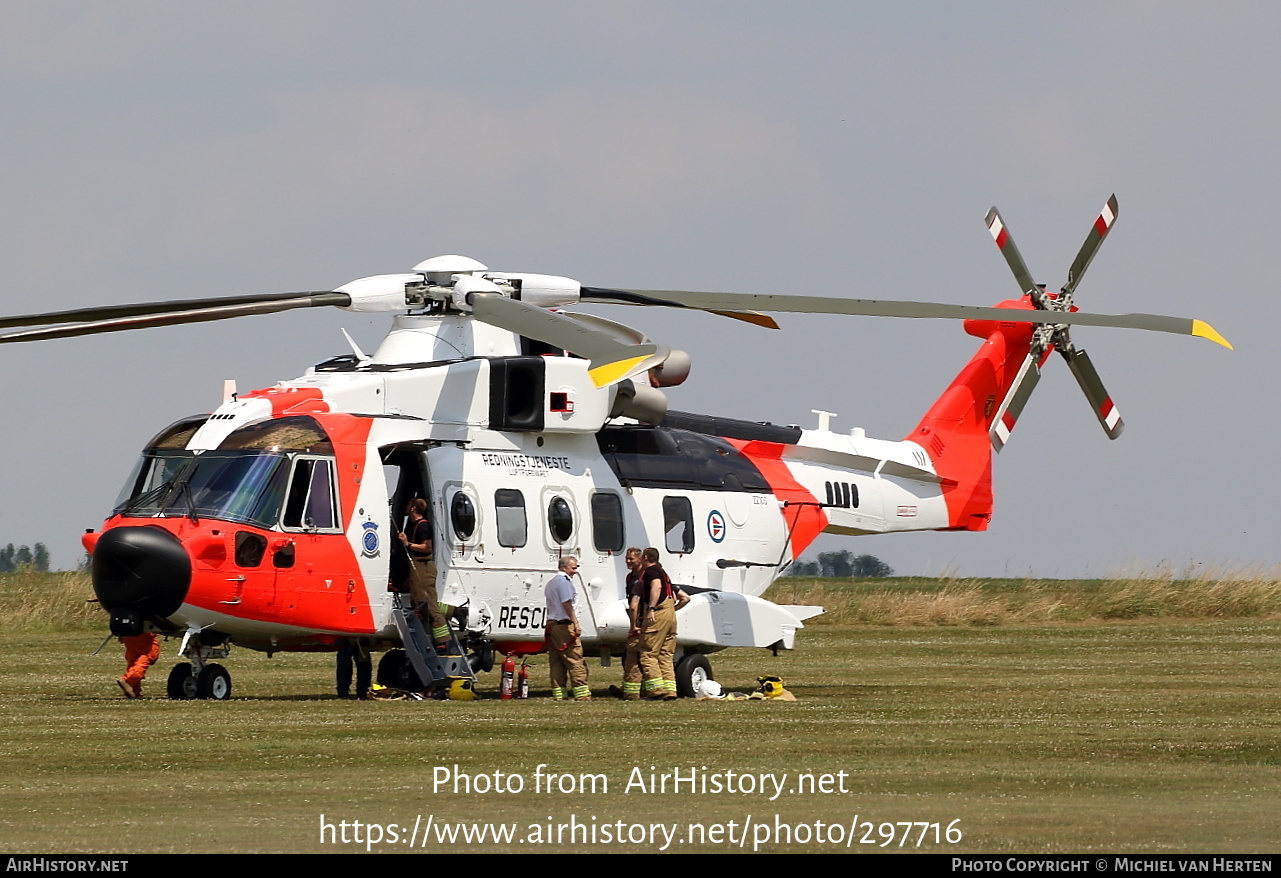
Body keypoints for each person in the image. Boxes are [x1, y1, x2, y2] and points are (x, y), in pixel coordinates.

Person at [638, 547, 690, 700]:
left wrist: (652, 609)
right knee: (665, 655)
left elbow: (656, 586)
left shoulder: (652, 571)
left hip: (658, 612)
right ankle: (670, 690)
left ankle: (656, 690)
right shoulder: (665, 574)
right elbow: (685, 598)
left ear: (646, 557)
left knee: (648, 653)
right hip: (670, 615)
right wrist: (672, 610)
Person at [400, 498, 450, 650]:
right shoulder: (415, 525)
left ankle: (442, 640)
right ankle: (456, 611)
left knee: (428, 604)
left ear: (413, 508)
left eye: (408, 504)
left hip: (424, 566)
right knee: (418, 603)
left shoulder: (423, 526)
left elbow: (427, 548)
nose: (407, 507)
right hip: (417, 566)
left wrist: (408, 544)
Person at [544, 555, 590, 701]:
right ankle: (582, 694)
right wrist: (575, 622)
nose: (575, 571)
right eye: (573, 568)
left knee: (556, 662)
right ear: (564, 567)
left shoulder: (551, 583)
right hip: (564, 626)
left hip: (552, 626)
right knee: (575, 659)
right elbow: (566, 603)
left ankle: (559, 694)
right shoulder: (564, 583)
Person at [609, 547, 645, 700]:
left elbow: (636, 603)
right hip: (636, 618)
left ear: (640, 558)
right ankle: (630, 689)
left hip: (642, 619)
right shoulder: (630, 577)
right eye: (626, 559)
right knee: (629, 657)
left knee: (635, 657)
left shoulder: (645, 576)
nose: (628, 562)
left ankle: (633, 692)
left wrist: (634, 626)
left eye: (631, 559)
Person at [117, 631, 159, 698]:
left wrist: (120, 634)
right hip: (143, 634)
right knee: (147, 657)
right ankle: (128, 681)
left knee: (134, 662)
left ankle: (135, 691)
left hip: (128, 635)